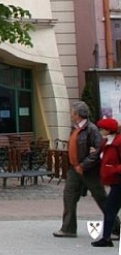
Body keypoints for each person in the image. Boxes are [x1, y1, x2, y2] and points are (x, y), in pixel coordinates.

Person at [54, 101, 120, 238]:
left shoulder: (92, 129)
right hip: (74, 169)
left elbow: (99, 149)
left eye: (72, 112)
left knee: (101, 197)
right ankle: (68, 228)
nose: (70, 114)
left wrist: (84, 165)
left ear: (77, 114)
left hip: (89, 170)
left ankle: (116, 227)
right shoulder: (75, 128)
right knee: (69, 196)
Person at [93, 118, 121, 247]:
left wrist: (112, 169)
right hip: (114, 181)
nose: (100, 130)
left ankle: (107, 238)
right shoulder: (106, 142)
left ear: (108, 130)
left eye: (102, 128)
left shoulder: (118, 142)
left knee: (110, 208)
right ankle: (107, 237)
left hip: (118, 180)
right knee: (110, 208)